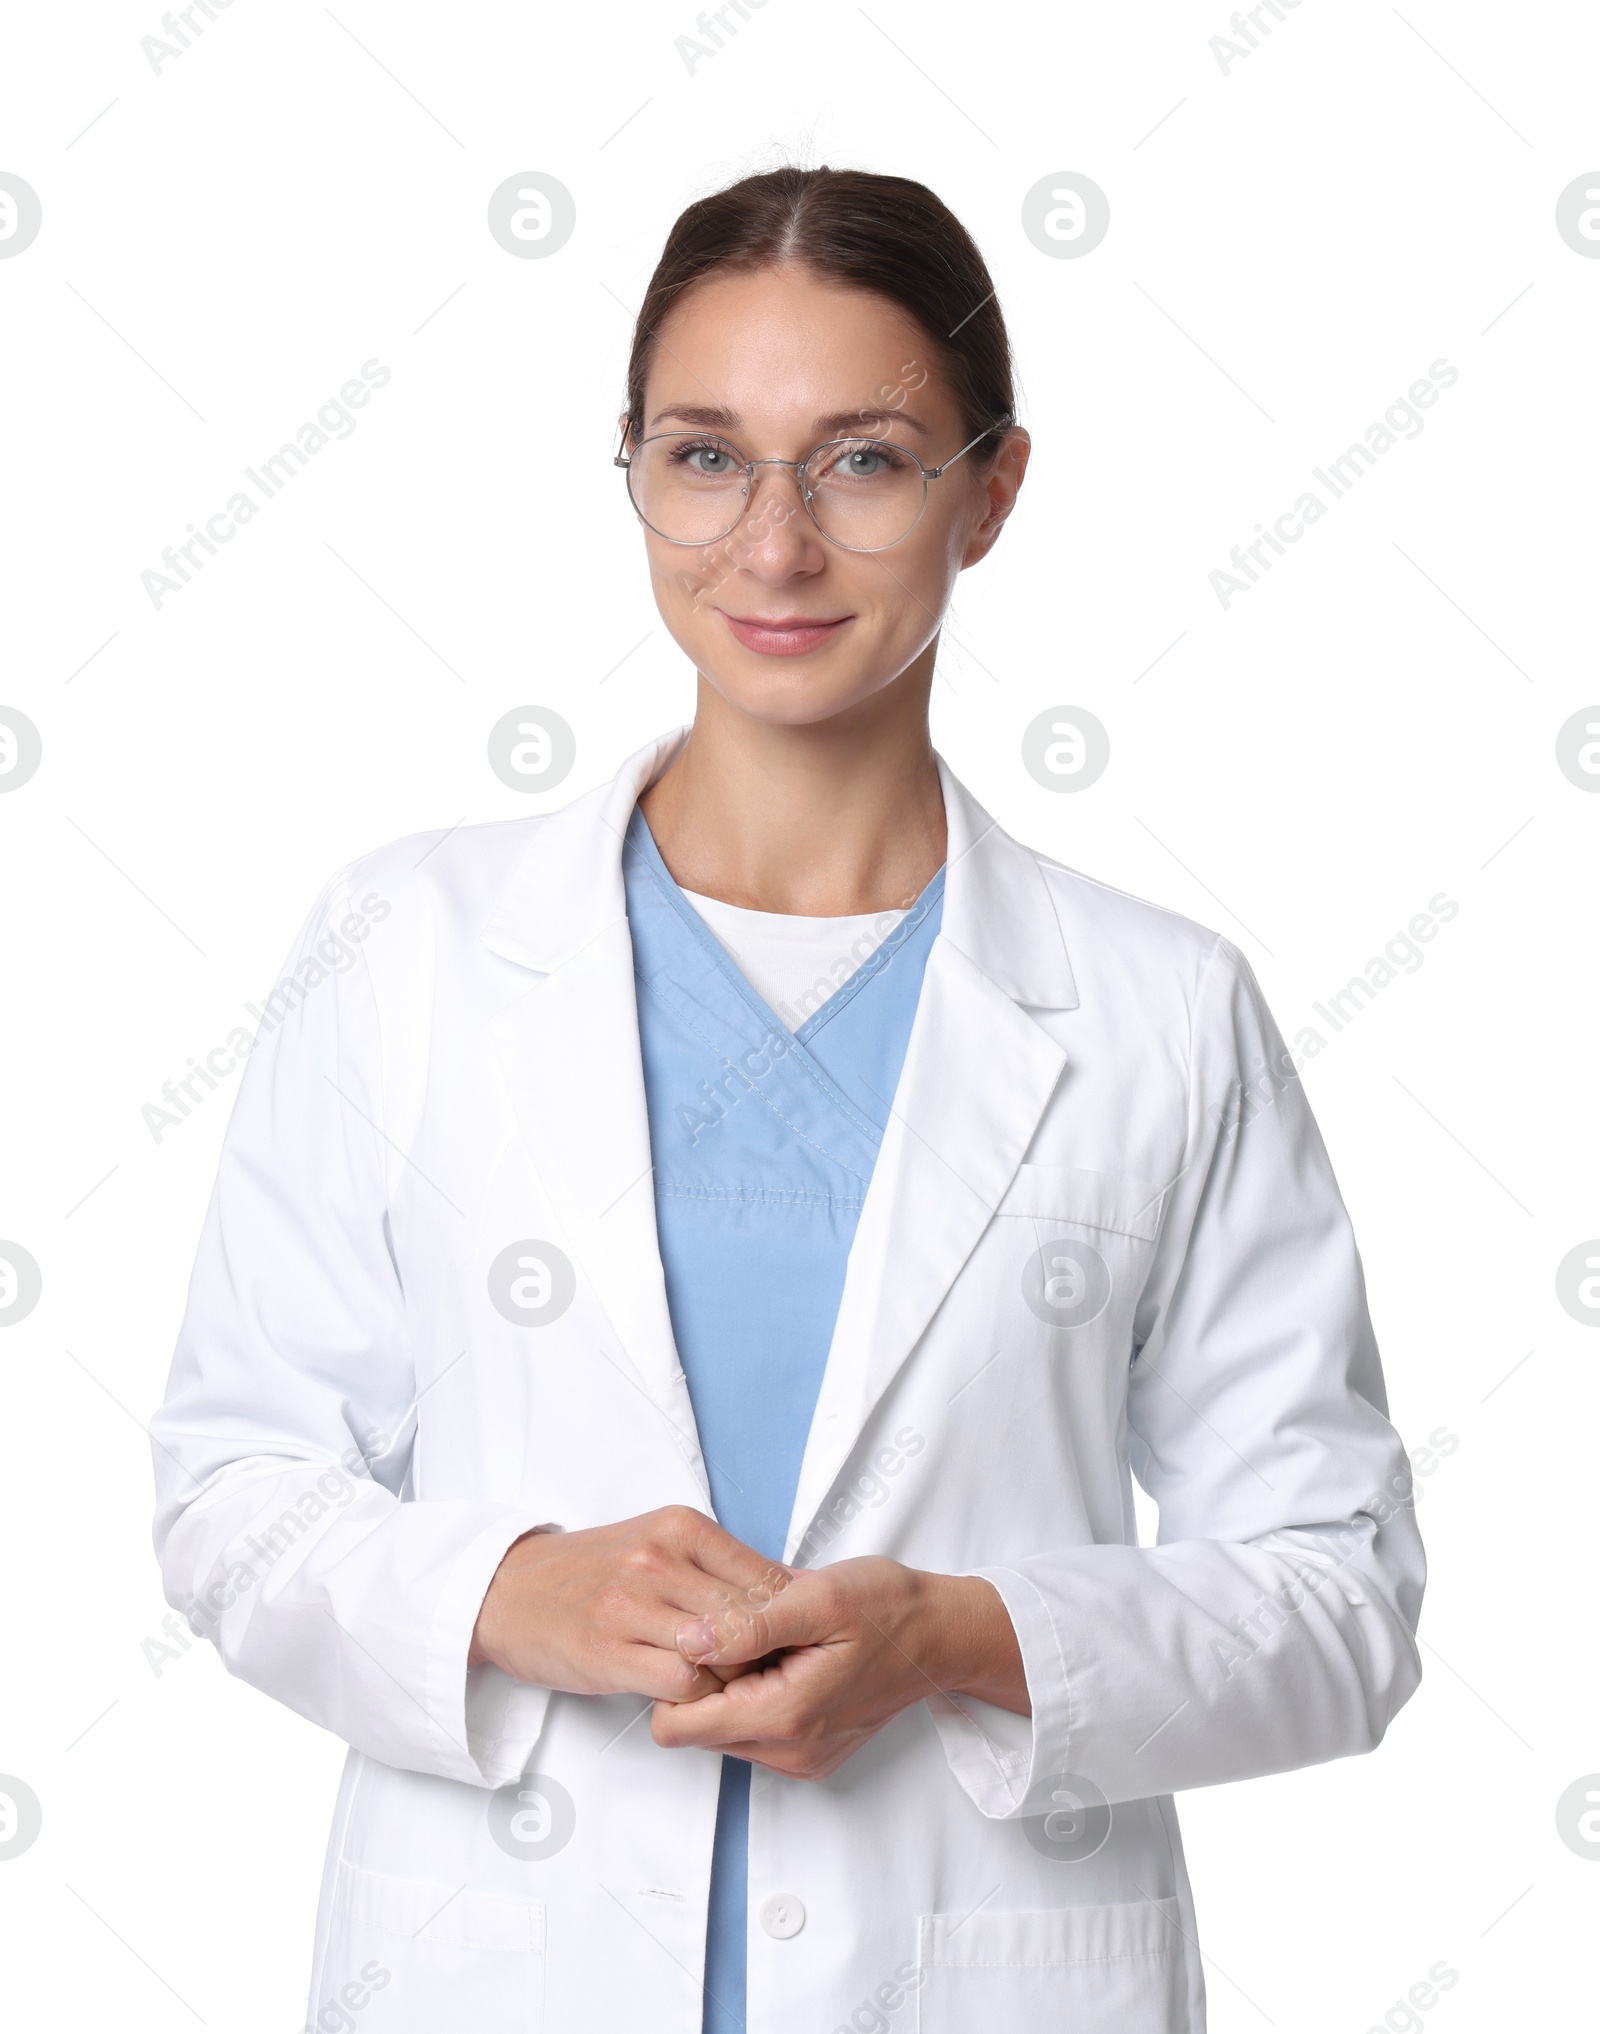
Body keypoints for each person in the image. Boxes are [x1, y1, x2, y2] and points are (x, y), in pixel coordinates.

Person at [150, 165, 1425, 2034]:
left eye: (865, 459)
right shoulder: (407, 944)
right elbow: (230, 1491)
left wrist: (961, 1642)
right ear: (634, 474)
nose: (771, 546)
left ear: (992, 489)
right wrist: (517, 1591)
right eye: (704, 455)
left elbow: (1341, 1599)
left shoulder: (1163, 1011)